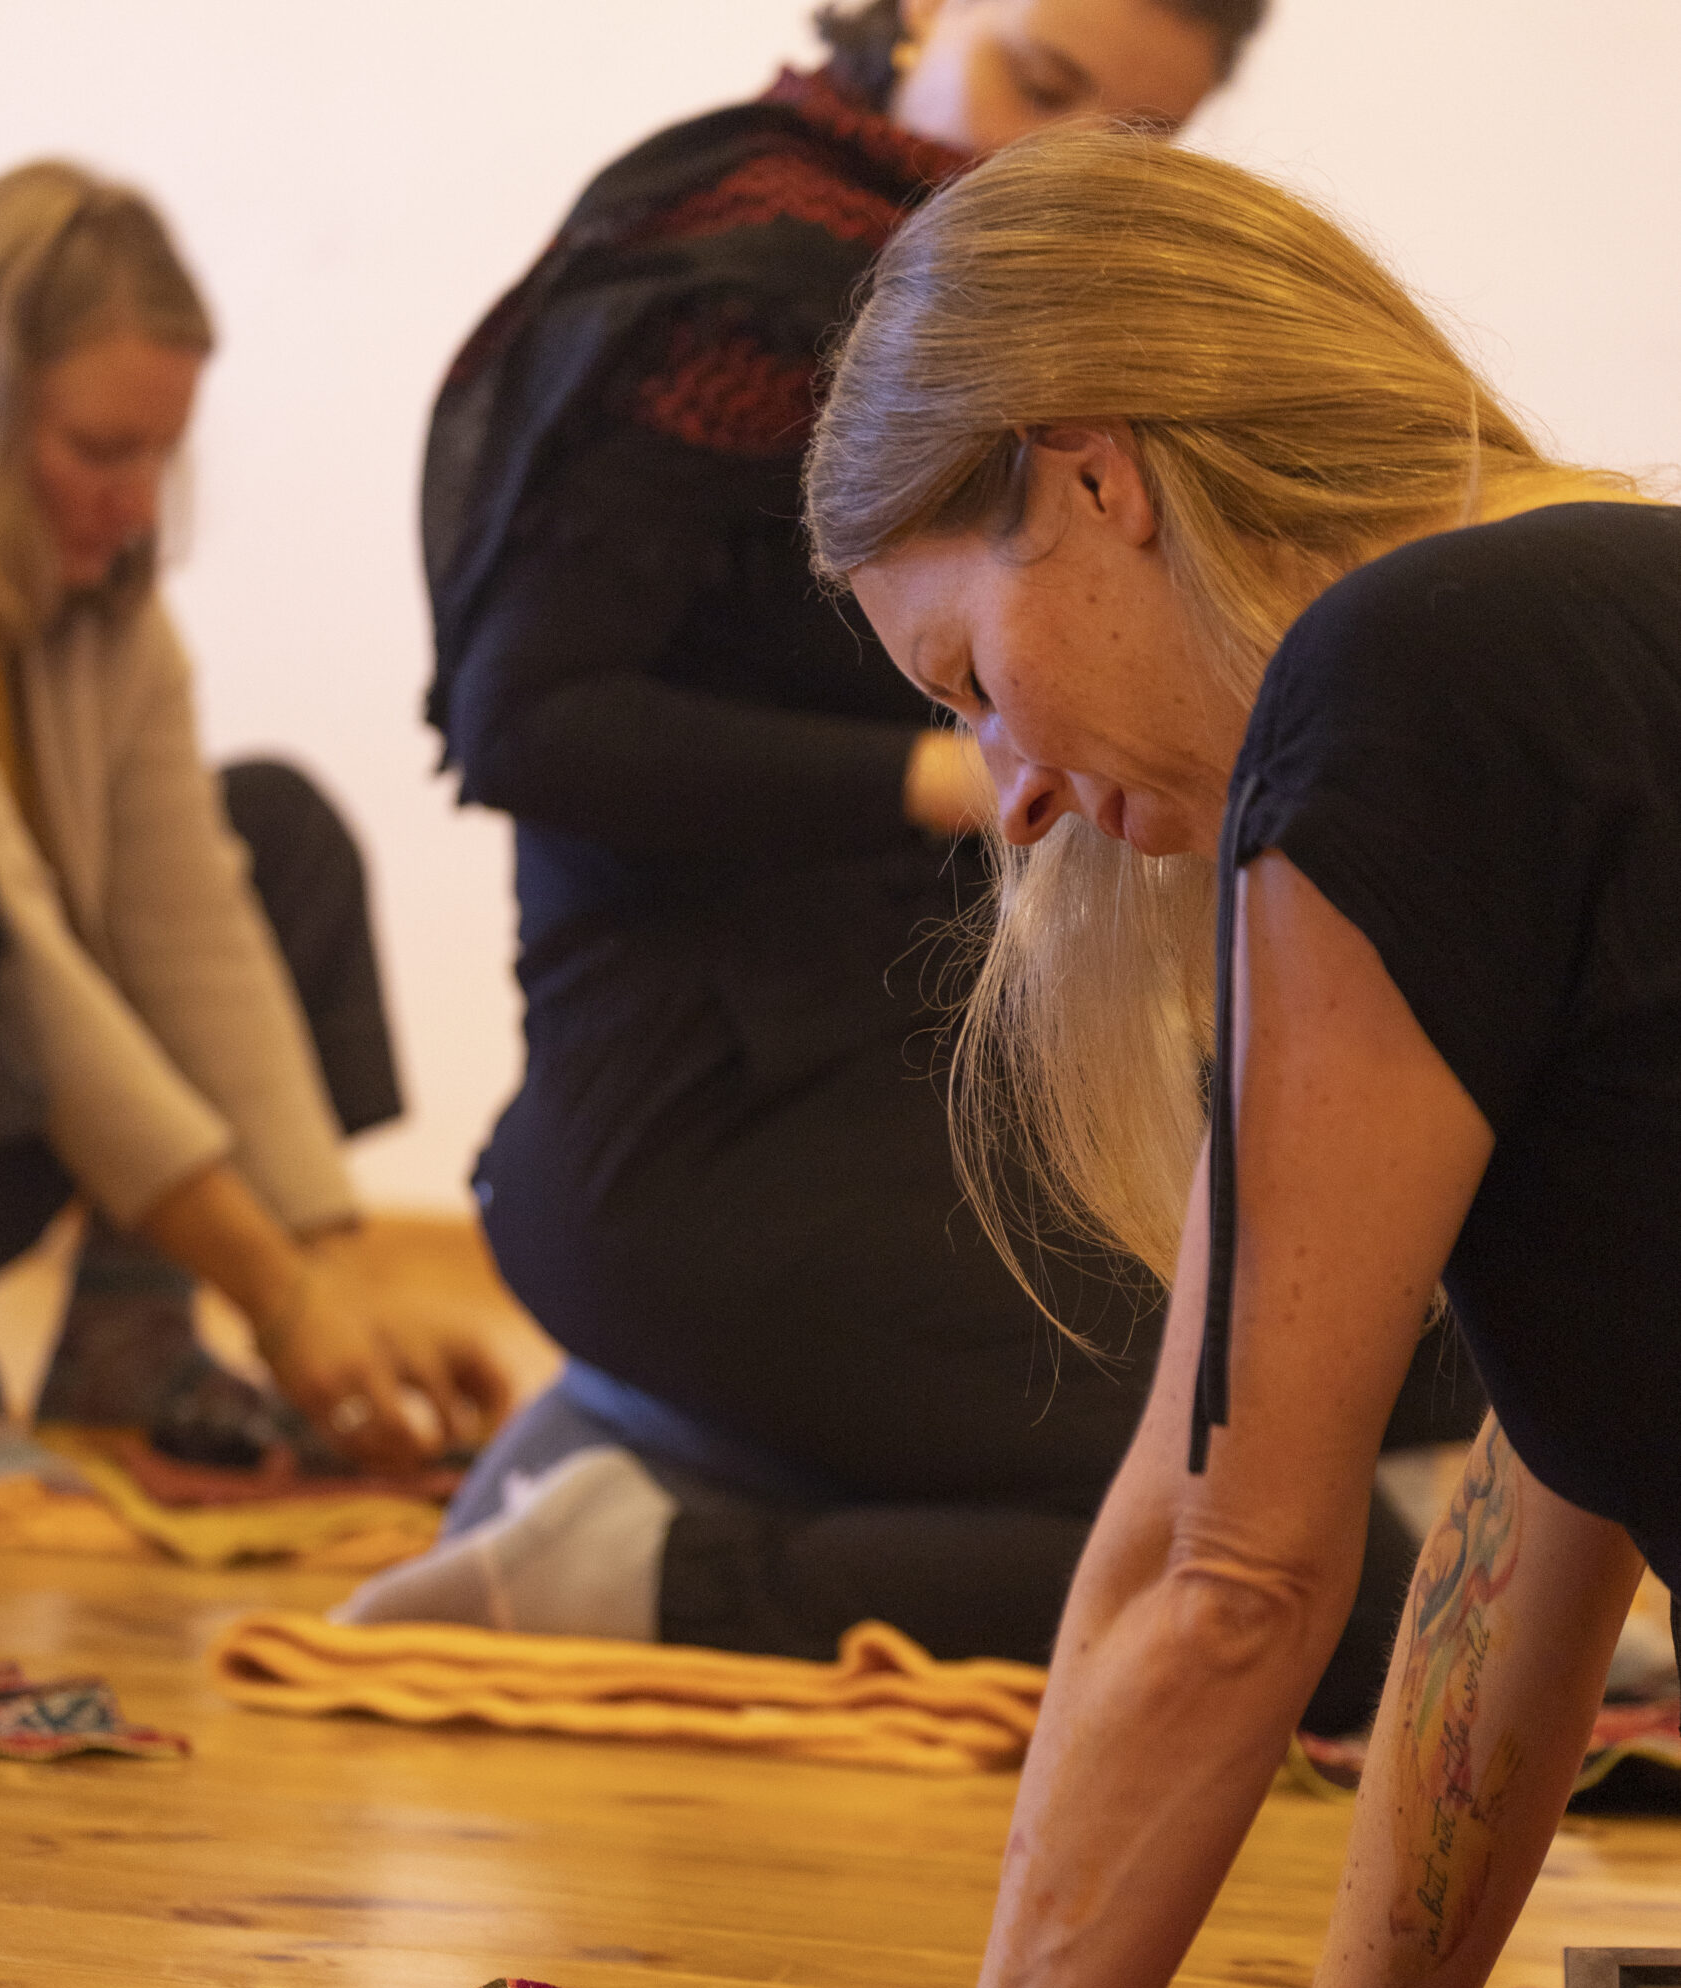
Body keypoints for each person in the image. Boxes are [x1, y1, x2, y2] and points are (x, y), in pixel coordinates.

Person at [555, 129, 1681, 1988]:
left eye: (973, 672)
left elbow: (1222, 1577)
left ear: (1090, 475)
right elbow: (1519, 1564)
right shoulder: (1590, 642)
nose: (1019, 789)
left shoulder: (1411, 672)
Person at [348, 0, 1466, 1726]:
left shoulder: (1059, 332)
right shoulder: (741, 271)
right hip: (702, 1121)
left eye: (1121, 143)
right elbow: (530, 724)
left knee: (1444, 1337)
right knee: (1310, 1575)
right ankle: (640, 1557)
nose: (1041, 160)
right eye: (1037, 83)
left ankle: (699, 1439)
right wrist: (967, 758)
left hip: (926, 1075)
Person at [0, 162, 509, 1470]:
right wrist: (278, 1297)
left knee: (277, 830)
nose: (139, 500)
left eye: (162, 453)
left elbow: (193, 937)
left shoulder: (117, 621)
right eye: (102, 451)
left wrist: (344, 1284)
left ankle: (126, 1347)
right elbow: (31, 979)